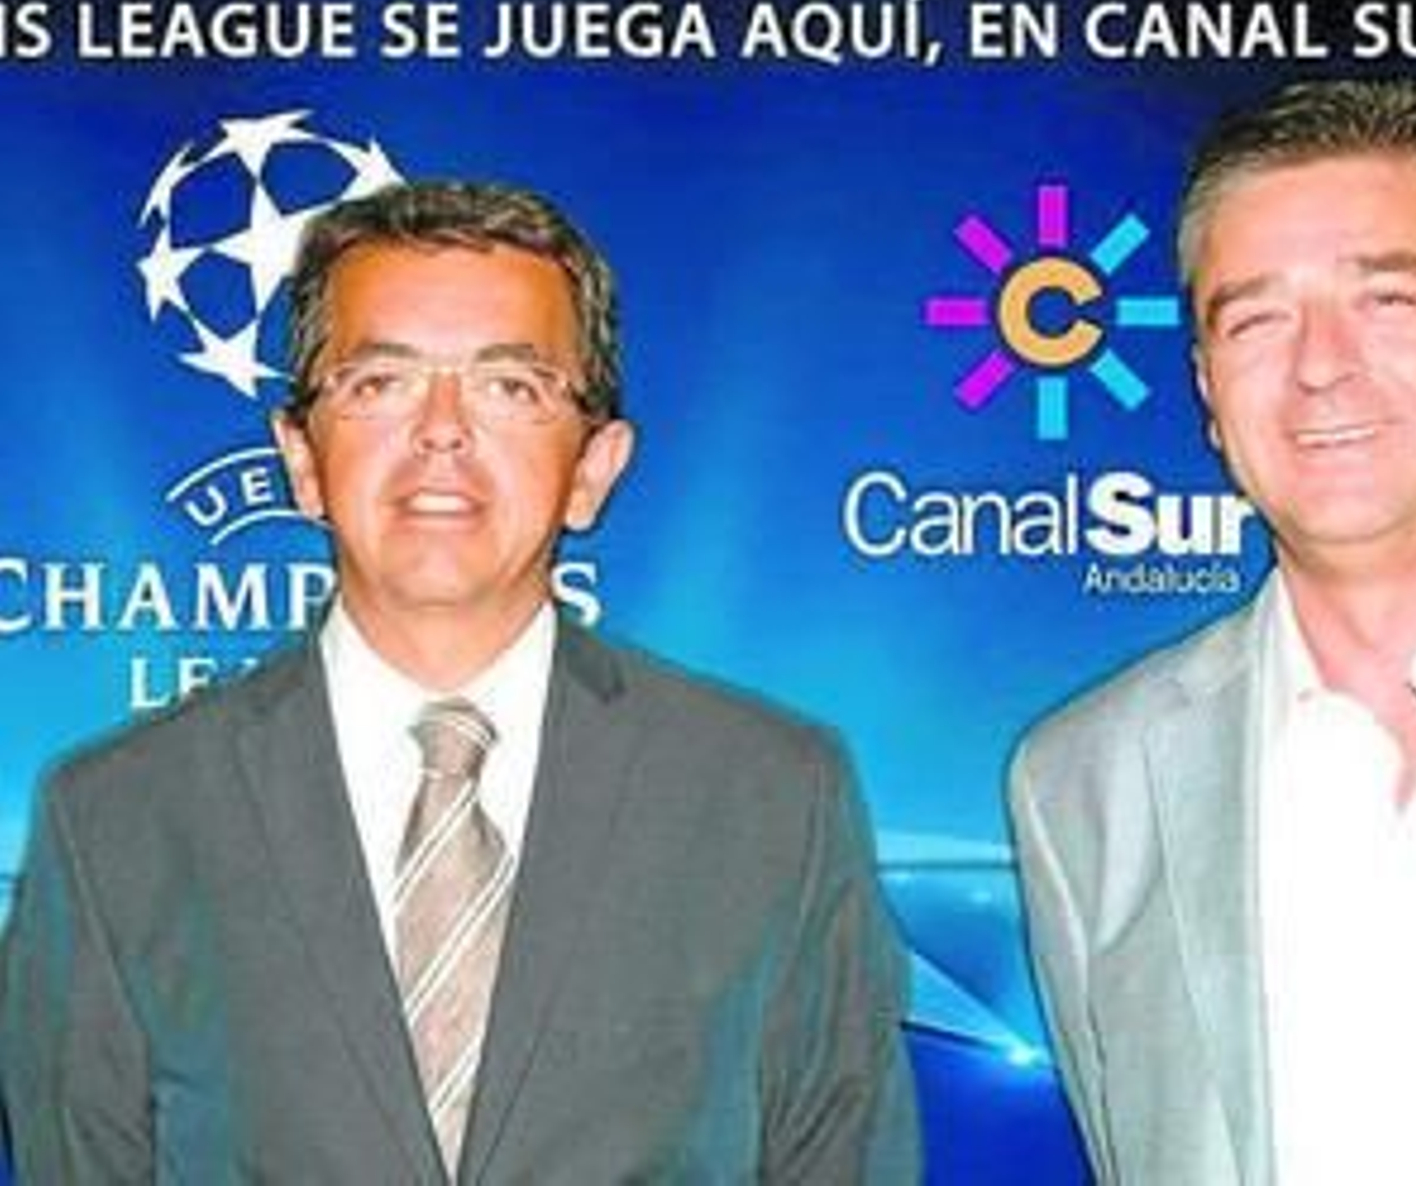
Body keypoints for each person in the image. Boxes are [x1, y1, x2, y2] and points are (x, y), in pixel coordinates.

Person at [0, 180, 922, 1182]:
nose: (441, 428)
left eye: (510, 386)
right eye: (379, 382)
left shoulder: (773, 795)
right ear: (300, 457)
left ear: (595, 467)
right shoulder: (116, 817)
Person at [1008, 77, 1416, 1184]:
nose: (1321, 365)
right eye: (1256, 319)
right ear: (1205, 389)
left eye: (1387, 299)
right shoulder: (1085, 783)